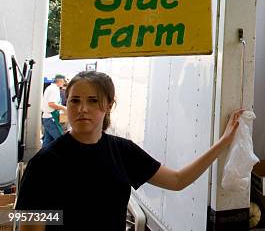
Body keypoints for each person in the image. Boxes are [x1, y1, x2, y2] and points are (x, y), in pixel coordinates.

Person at [16, 71, 244, 231]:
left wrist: (223, 142)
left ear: (108, 105)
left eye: (93, 100)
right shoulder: (45, 162)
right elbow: (31, 225)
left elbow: (177, 180)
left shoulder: (122, 151)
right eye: (75, 100)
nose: (82, 109)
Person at [41, 74, 67, 147]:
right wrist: (64, 108)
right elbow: (51, 104)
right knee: (61, 139)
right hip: (51, 117)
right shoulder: (54, 89)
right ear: (60, 80)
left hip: (47, 117)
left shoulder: (50, 88)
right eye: (64, 81)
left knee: (48, 141)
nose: (64, 83)